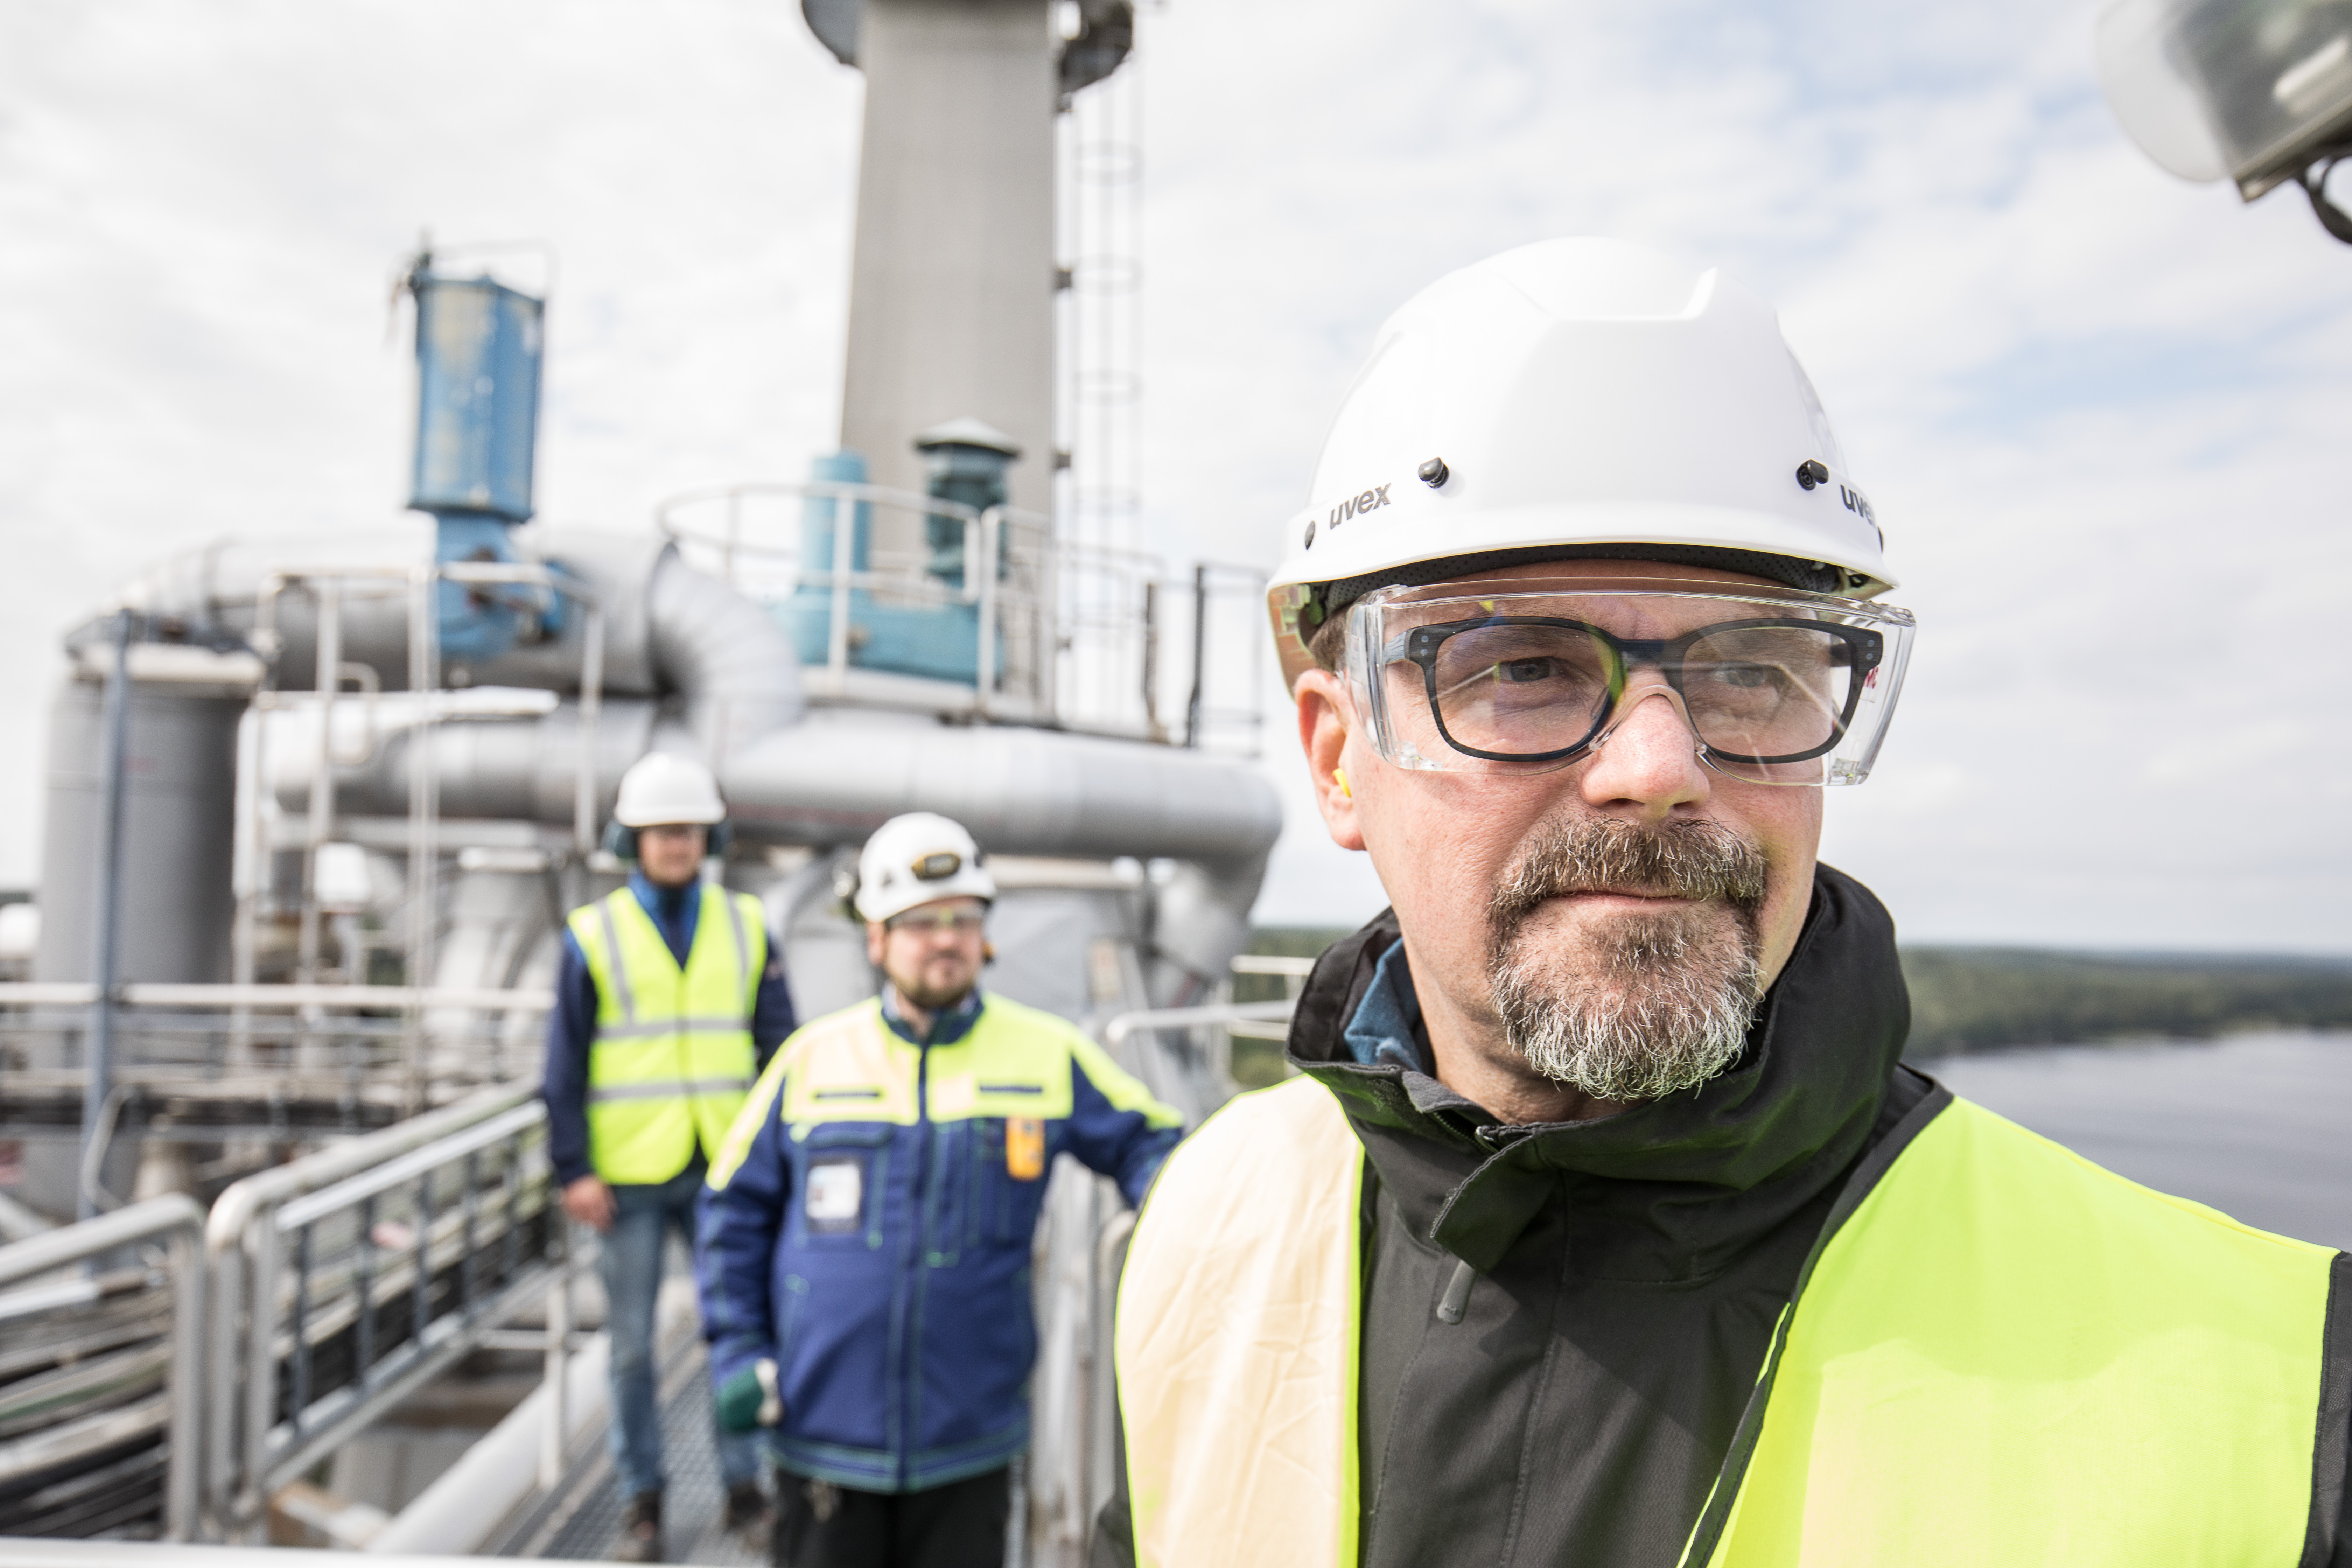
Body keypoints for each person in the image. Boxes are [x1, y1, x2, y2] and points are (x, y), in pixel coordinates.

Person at [1096, 238, 2352, 1567]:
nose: (1658, 768)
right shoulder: (1206, 1223)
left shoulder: (2284, 1403)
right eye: (1518, 663)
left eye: (1752, 667)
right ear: (1342, 758)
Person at [697, 811, 1183, 1568]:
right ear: (877, 938)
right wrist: (737, 1351)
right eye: (920, 921)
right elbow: (734, 1209)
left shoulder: (1046, 1054)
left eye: (963, 918)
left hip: (971, 1437)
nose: (946, 938)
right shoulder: (810, 1060)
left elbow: (1154, 1141)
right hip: (825, 1433)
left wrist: (1171, 1214)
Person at [543, 751, 798, 1563]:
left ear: (708, 836)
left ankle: (744, 1486)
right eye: (661, 833)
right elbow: (563, 1064)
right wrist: (573, 1167)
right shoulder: (594, 936)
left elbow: (781, 1051)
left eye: (688, 830)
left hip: (728, 1170)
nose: (676, 844)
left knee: (739, 1329)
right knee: (628, 1346)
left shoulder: (748, 924)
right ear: (633, 840)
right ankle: (643, 1501)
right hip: (627, 1175)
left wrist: (781, 1156)